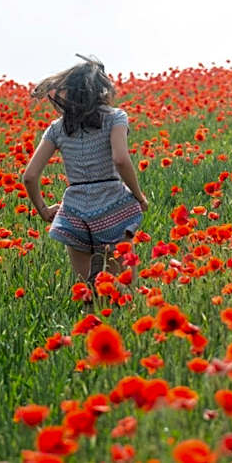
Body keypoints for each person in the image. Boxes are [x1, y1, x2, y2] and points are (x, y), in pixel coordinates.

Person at [22, 55, 149, 296]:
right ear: (102, 89)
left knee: (88, 292)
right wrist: (139, 196)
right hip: (113, 206)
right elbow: (120, 159)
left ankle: (90, 326)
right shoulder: (115, 117)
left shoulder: (57, 128)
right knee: (123, 290)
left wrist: (43, 210)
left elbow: (29, 176)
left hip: (75, 212)